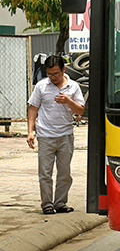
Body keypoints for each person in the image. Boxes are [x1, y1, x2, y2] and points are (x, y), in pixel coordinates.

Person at [27, 55, 85, 215]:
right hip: (45, 136)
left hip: (65, 136)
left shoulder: (73, 87)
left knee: (64, 172)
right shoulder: (41, 86)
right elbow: (33, 108)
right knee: (45, 173)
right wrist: (30, 132)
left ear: (63, 70)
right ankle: (47, 204)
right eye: (49, 74)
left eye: (56, 74)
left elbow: (80, 110)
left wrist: (68, 101)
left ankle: (60, 202)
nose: (52, 77)